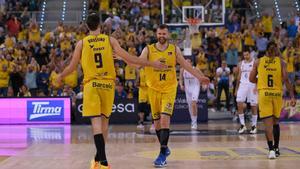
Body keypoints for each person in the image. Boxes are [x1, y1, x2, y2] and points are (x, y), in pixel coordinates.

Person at [57, 13, 166, 169]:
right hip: (108, 86)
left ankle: (102, 161)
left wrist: (61, 75)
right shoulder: (110, 40)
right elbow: (130, 58)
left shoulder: (82, 43)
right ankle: (98, 160)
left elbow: (72, 67)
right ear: (100, 25)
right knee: (104, 125)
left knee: (96, 125)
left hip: (92, 85)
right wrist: (151, 63)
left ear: (87, 26)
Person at [139, 24, 210, 167]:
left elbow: (186, 65)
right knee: (157, 123)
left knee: (165, 120)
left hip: (169, 89)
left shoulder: (174, 49)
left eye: (164, 34)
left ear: (168, 35)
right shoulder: (148, 49)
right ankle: (164, 148)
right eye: (159, 33)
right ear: (156, 34)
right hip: (153, 89)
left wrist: (200, 77)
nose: (161, 36)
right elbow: (138, 62)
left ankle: (162, 154)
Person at [249, 41, 296, 159]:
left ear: (266, 50)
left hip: (265, 93)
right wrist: (292, 96)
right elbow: (286, 80)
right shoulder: (281, 62)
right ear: (276, 50)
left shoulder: (258, 61)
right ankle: (276, 148)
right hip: (276, 93)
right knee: (276, 123)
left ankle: (271, 150)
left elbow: (251, 79)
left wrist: (260, 82)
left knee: (268, 124)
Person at [235, 49, 258, 134]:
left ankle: (254, 125)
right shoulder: (241, 63)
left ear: (250, 54)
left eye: (247, 55)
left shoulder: (255, 63)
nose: (246, 56)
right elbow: (238, 76)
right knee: (239, 102)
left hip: (252, 85)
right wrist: (236, 88)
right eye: (244, 55)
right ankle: (242, 125)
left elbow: (258, 75)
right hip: (243, 85)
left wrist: (257, 86)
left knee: (253, 106)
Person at [179, 58, 201, 130]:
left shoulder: (196, 69)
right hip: (187, 89)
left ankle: (195, 123)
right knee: (190, 106)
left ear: (191, 63)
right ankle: (193, 121)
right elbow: (180, 79)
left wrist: (204, 84)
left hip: (195, 87)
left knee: (194, 104)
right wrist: (181, 85)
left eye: (188, 62)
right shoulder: (182, 70)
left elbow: (202, 77)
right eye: (186, 62)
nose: (187, 63)